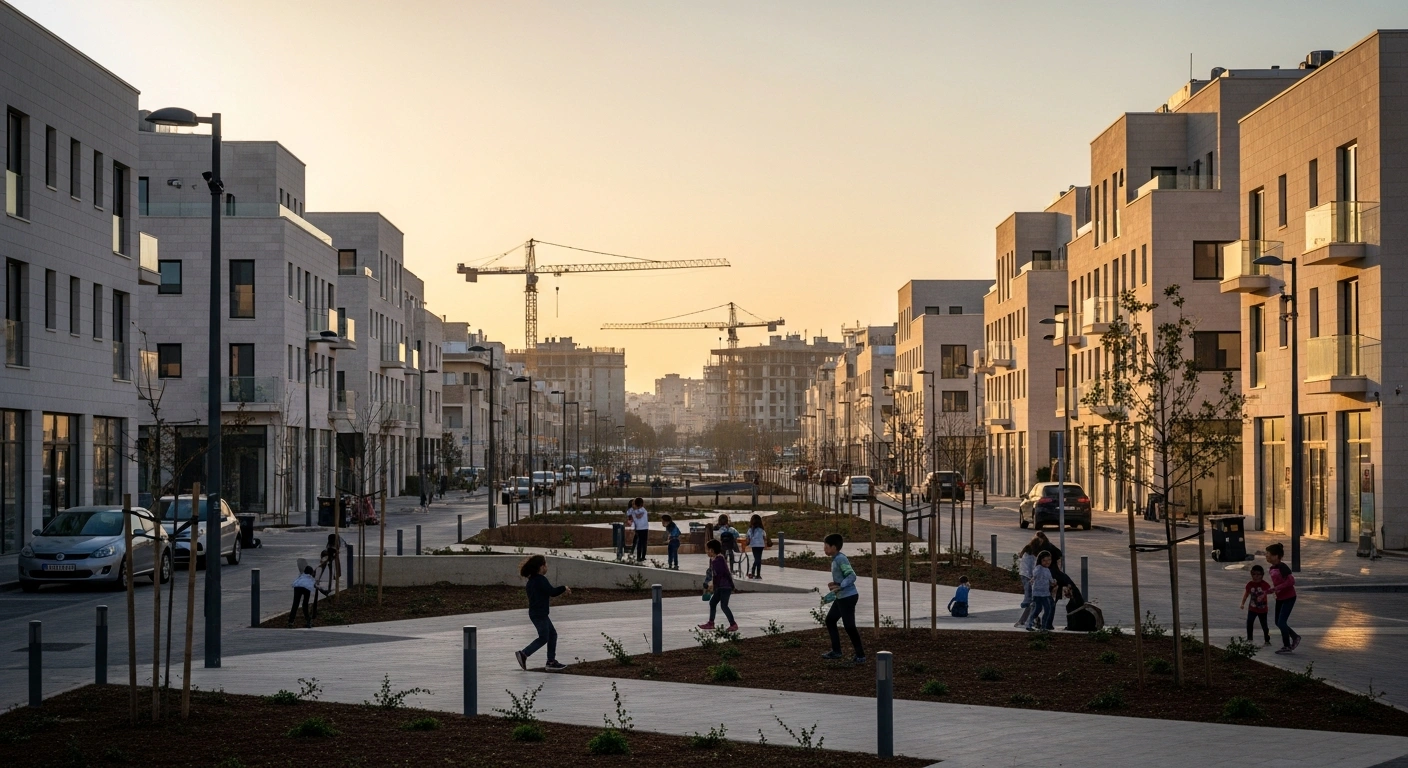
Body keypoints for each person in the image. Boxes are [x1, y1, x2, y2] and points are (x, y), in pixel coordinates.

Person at [515, 554, 570, 672]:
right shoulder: (540, 580)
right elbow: (552, 592)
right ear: (541, 567)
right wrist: (564, 588)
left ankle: (551, 661)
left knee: (552, 635)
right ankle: (524, 653)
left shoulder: (531, 581)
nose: (547, 567)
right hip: (540, 614)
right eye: (546, 564)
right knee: (544, 637)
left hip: (537, 613)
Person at [821, 533, 865, 663]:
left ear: (834, 547)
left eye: (826, 546)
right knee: (830, 620)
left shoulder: (841, 559)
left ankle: (860, 655)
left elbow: (851, 576)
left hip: (848, 597)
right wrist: (835, 584)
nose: (824, 548)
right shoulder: (835, 559)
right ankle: (836, 651)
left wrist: (840, 585)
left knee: (849, 626)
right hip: (841, 597)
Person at [1266, 543, 1300, 653]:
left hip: (1289, 597)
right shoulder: (1272, 568)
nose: (1267, 556)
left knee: (1281, 622)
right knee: (1278, 622)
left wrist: (1276, 588)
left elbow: (1291, 581)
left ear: (1276, 556)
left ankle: (1287, 645)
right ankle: (1295, 637)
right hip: (1280, 598)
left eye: (1268, 554)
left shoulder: (1282, 567)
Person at [698, 539, 737, 632]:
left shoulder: (718, 560)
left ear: (712, 550)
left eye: (707, 550)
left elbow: (721, 574)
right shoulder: (716, 559)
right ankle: (711, 623)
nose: (706, 552)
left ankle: (733, 624)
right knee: (712, 603)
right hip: (721, 586)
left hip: (724, 587)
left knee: (724, 605)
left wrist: (713, 586)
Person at [1240, 564, 1272, 646]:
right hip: (1252, 608)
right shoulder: (1250, 584)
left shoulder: (1264, 584)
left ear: (1262, 575)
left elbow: (1270, 590)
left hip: (1263, 609)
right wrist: (1242, 603)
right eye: (1254, 574)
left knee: (1264, 625)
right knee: (1249, 623)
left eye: (1258, 575)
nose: (1256, 577)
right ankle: (1249, 638)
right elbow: (1246, 594)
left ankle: (1267, 640)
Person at [1027, 551, 1056, 631]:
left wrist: (1053, 582)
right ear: (1040, 561)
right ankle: (1030, 624)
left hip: (1045, 593)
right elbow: (1034, 574)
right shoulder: (1038, 568)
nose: (1047, 562)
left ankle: (1043, 626)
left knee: (1047, 609)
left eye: (1049, 560)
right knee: (1039, 609)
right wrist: (1032, 579)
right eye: (1044, 560)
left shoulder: (1047, 570)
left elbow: (1050, 580)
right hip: (1037, 593)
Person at [1014, 542, 1036, 628]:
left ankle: (1028, 620)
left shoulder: (1026, 553)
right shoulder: (1032, 556)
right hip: (1028, 577)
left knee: (1032, 600)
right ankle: (1025, 621)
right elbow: (1033, 568)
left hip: (1024, 575)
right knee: (1031, 600)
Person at [626, 497, 650, 562]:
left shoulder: (636, 511)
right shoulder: (643, 510)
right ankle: (642, 556)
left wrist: (632, 507)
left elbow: (629, 513)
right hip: (643, 528)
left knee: (640, 543)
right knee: (642, 543)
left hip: (641, 528)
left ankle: (640, 557)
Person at [746, 514, 767, 580]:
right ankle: (758, 574)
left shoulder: (750, 530)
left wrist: (747, 543)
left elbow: (748, 539)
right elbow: (765, 537)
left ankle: (752, 572)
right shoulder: (762, 530)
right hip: (761, 546)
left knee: (757, 559)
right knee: (758, 559)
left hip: (754, 546)